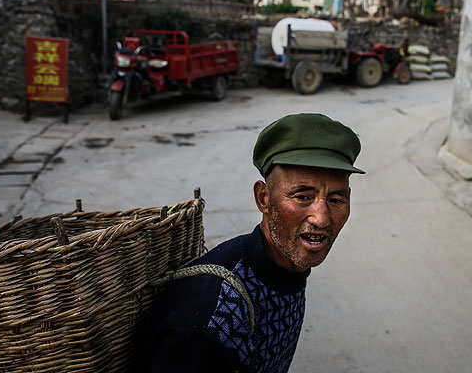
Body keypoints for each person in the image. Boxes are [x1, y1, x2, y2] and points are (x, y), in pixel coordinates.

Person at [135, 113, 364, 373]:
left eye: (336, 200)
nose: (321, 218)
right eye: (302, 197)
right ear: (263, 198)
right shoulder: (210, 317)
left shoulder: (286, 267)